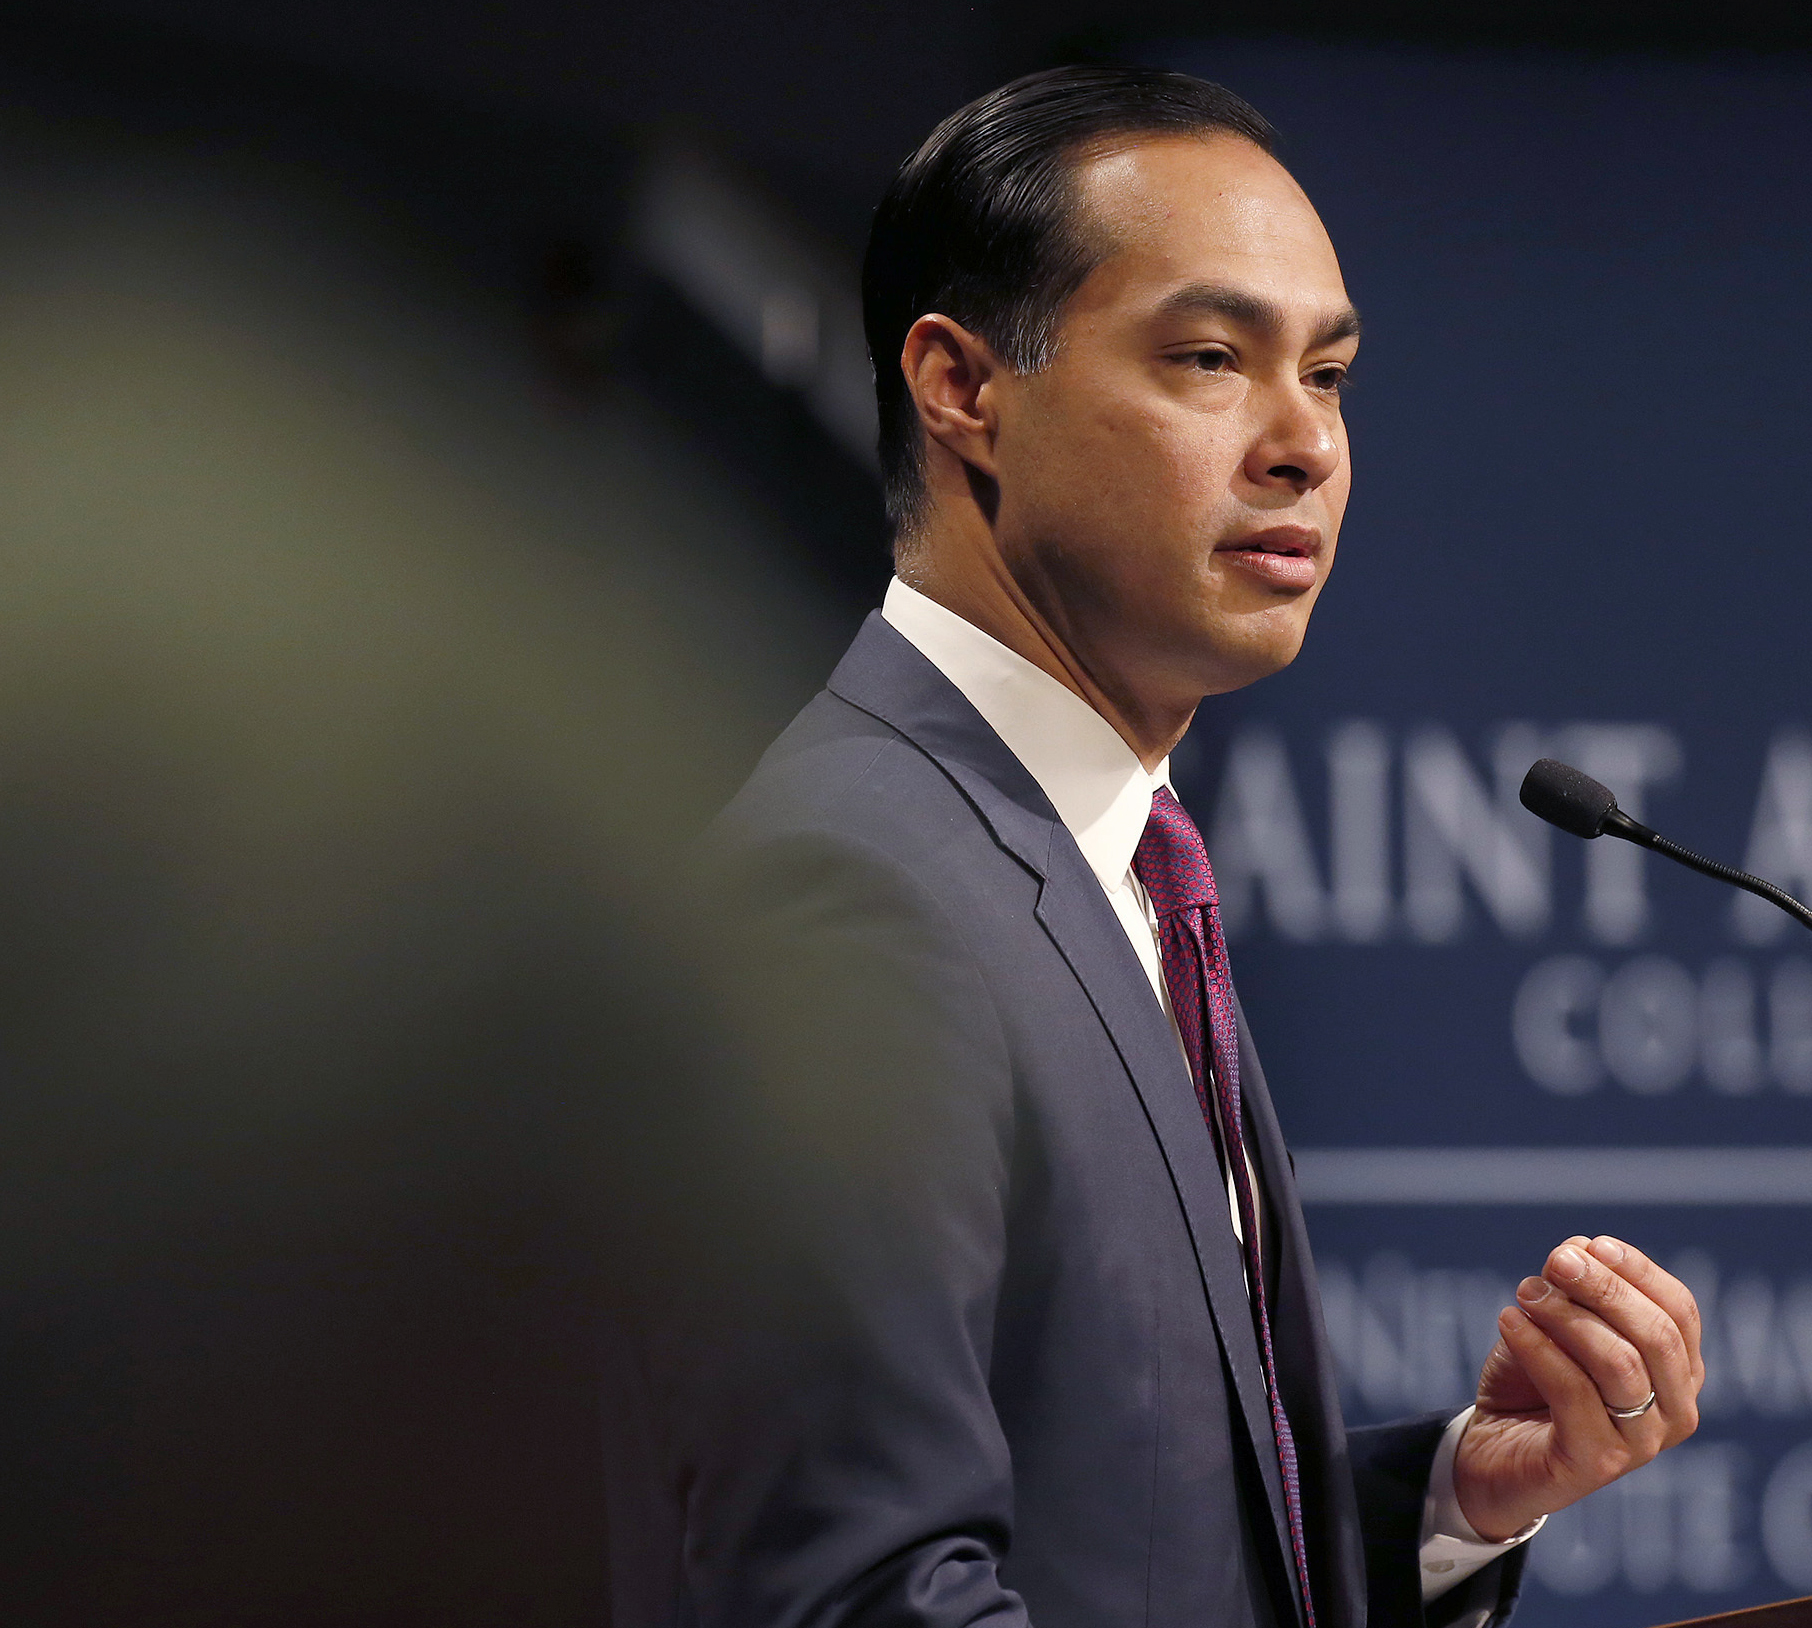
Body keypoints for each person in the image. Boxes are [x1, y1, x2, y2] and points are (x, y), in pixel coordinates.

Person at [605, 65, 1705, 1628]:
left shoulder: (1093, 863)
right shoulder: (852, 896)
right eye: (1209, 357)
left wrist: (1451, 1503)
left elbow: (1124, 1546)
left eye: (1325, 375)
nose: (1303, 446)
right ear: (962, 388)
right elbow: (856, 1596)